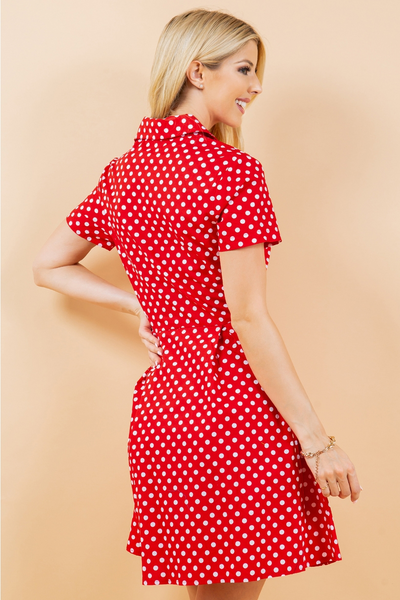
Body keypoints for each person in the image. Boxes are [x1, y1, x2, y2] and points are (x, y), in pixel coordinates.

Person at [32, 8, 362, 600]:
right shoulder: (234, 173)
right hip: (232, 414)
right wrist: (317, 441)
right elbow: (248, 316)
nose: (256, 86)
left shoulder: (124, 174)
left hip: (166, 419)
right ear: (196, 72)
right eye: (243, 69)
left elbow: (48, 265)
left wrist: (141, 306)